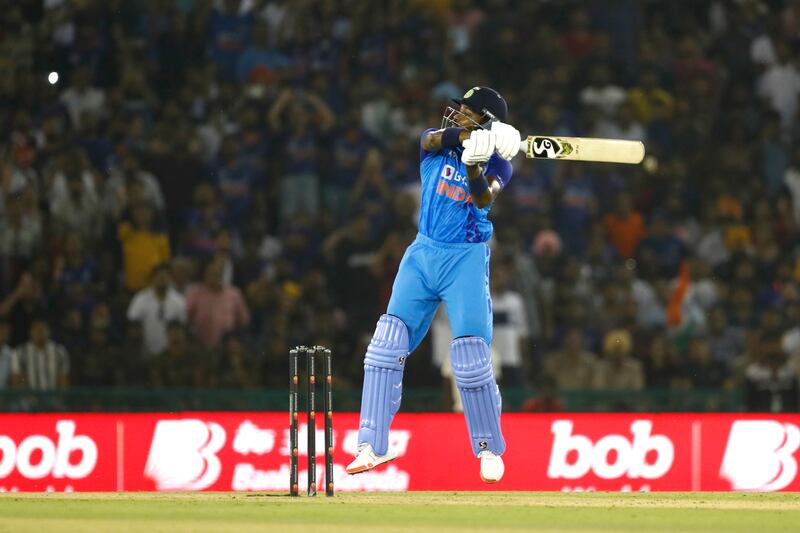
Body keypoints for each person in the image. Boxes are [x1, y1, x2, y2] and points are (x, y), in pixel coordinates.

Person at [346, 87, 520, 483]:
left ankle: (489, 449)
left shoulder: (501, 166)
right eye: (457, 109)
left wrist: (478, 164)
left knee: (471, 358)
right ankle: (371, 444)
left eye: (466, 112)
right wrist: (472, 138)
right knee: (385, 344)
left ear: (487, 119)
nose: (456, 115)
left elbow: (480, 200)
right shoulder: (436, 146)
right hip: (422, 253)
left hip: (465, 258)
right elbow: (430, 138)